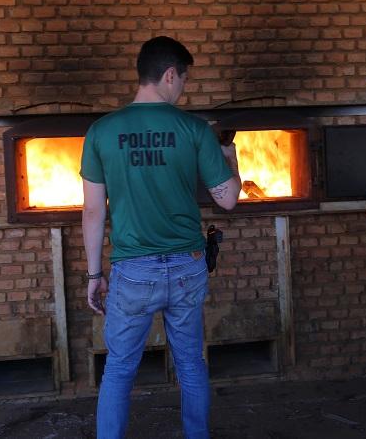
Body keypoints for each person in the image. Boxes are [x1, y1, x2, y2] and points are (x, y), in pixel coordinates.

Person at [80, 36, 241, 439]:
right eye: (183, 79)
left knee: (118, 369)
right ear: (169, 74)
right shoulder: (193, 129)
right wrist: (231, 159)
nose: (182, 88)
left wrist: (93, 274)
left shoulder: (101, 131)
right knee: (190, 364)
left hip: (132, 270)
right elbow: (228, 200)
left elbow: (93, 211)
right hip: (187, 266)